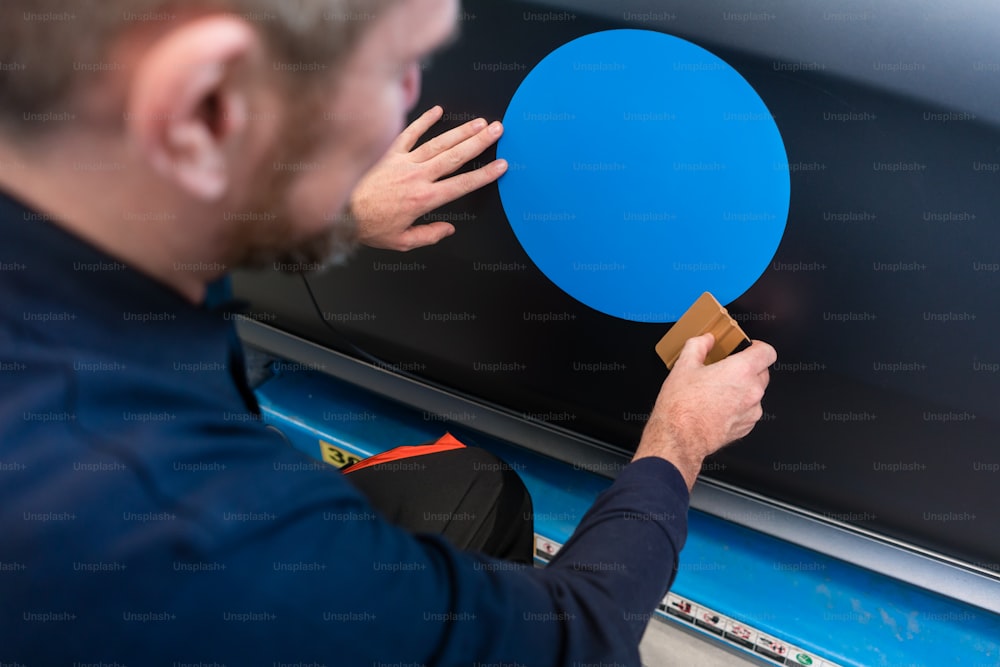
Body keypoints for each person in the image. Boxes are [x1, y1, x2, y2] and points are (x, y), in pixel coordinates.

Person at [0, 1, 777, 666]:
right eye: (393, 69)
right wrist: (676, 444)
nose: (410, 96)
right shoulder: (212, 533)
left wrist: (325, 216)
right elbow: (579, 637)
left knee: (472, 491)